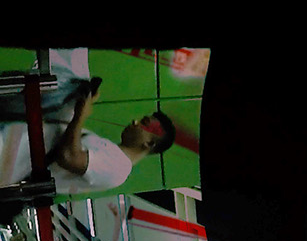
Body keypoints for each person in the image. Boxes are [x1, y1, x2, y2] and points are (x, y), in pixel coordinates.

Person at [0, 81, 176, 195]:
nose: (135, 122)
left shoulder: (119, 169)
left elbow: (69, 157)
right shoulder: (111, 151)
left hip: (9, 159)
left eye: (144, 123)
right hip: (11, 145)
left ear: (149, 143)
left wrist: (81, 115)